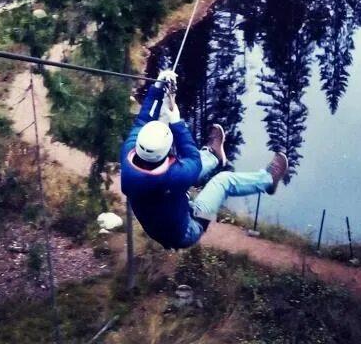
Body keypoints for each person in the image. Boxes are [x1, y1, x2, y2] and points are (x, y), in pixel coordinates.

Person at [120, 69, 288, 250]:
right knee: (223, 180)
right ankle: (268, 181)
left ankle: (214, 156)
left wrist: (158, 87)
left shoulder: (128, 155)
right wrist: (176, 122)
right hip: (189, 229)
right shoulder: (173, 177)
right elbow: (193, 159)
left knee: (189, 170)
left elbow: (143, 119)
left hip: (165, 220)